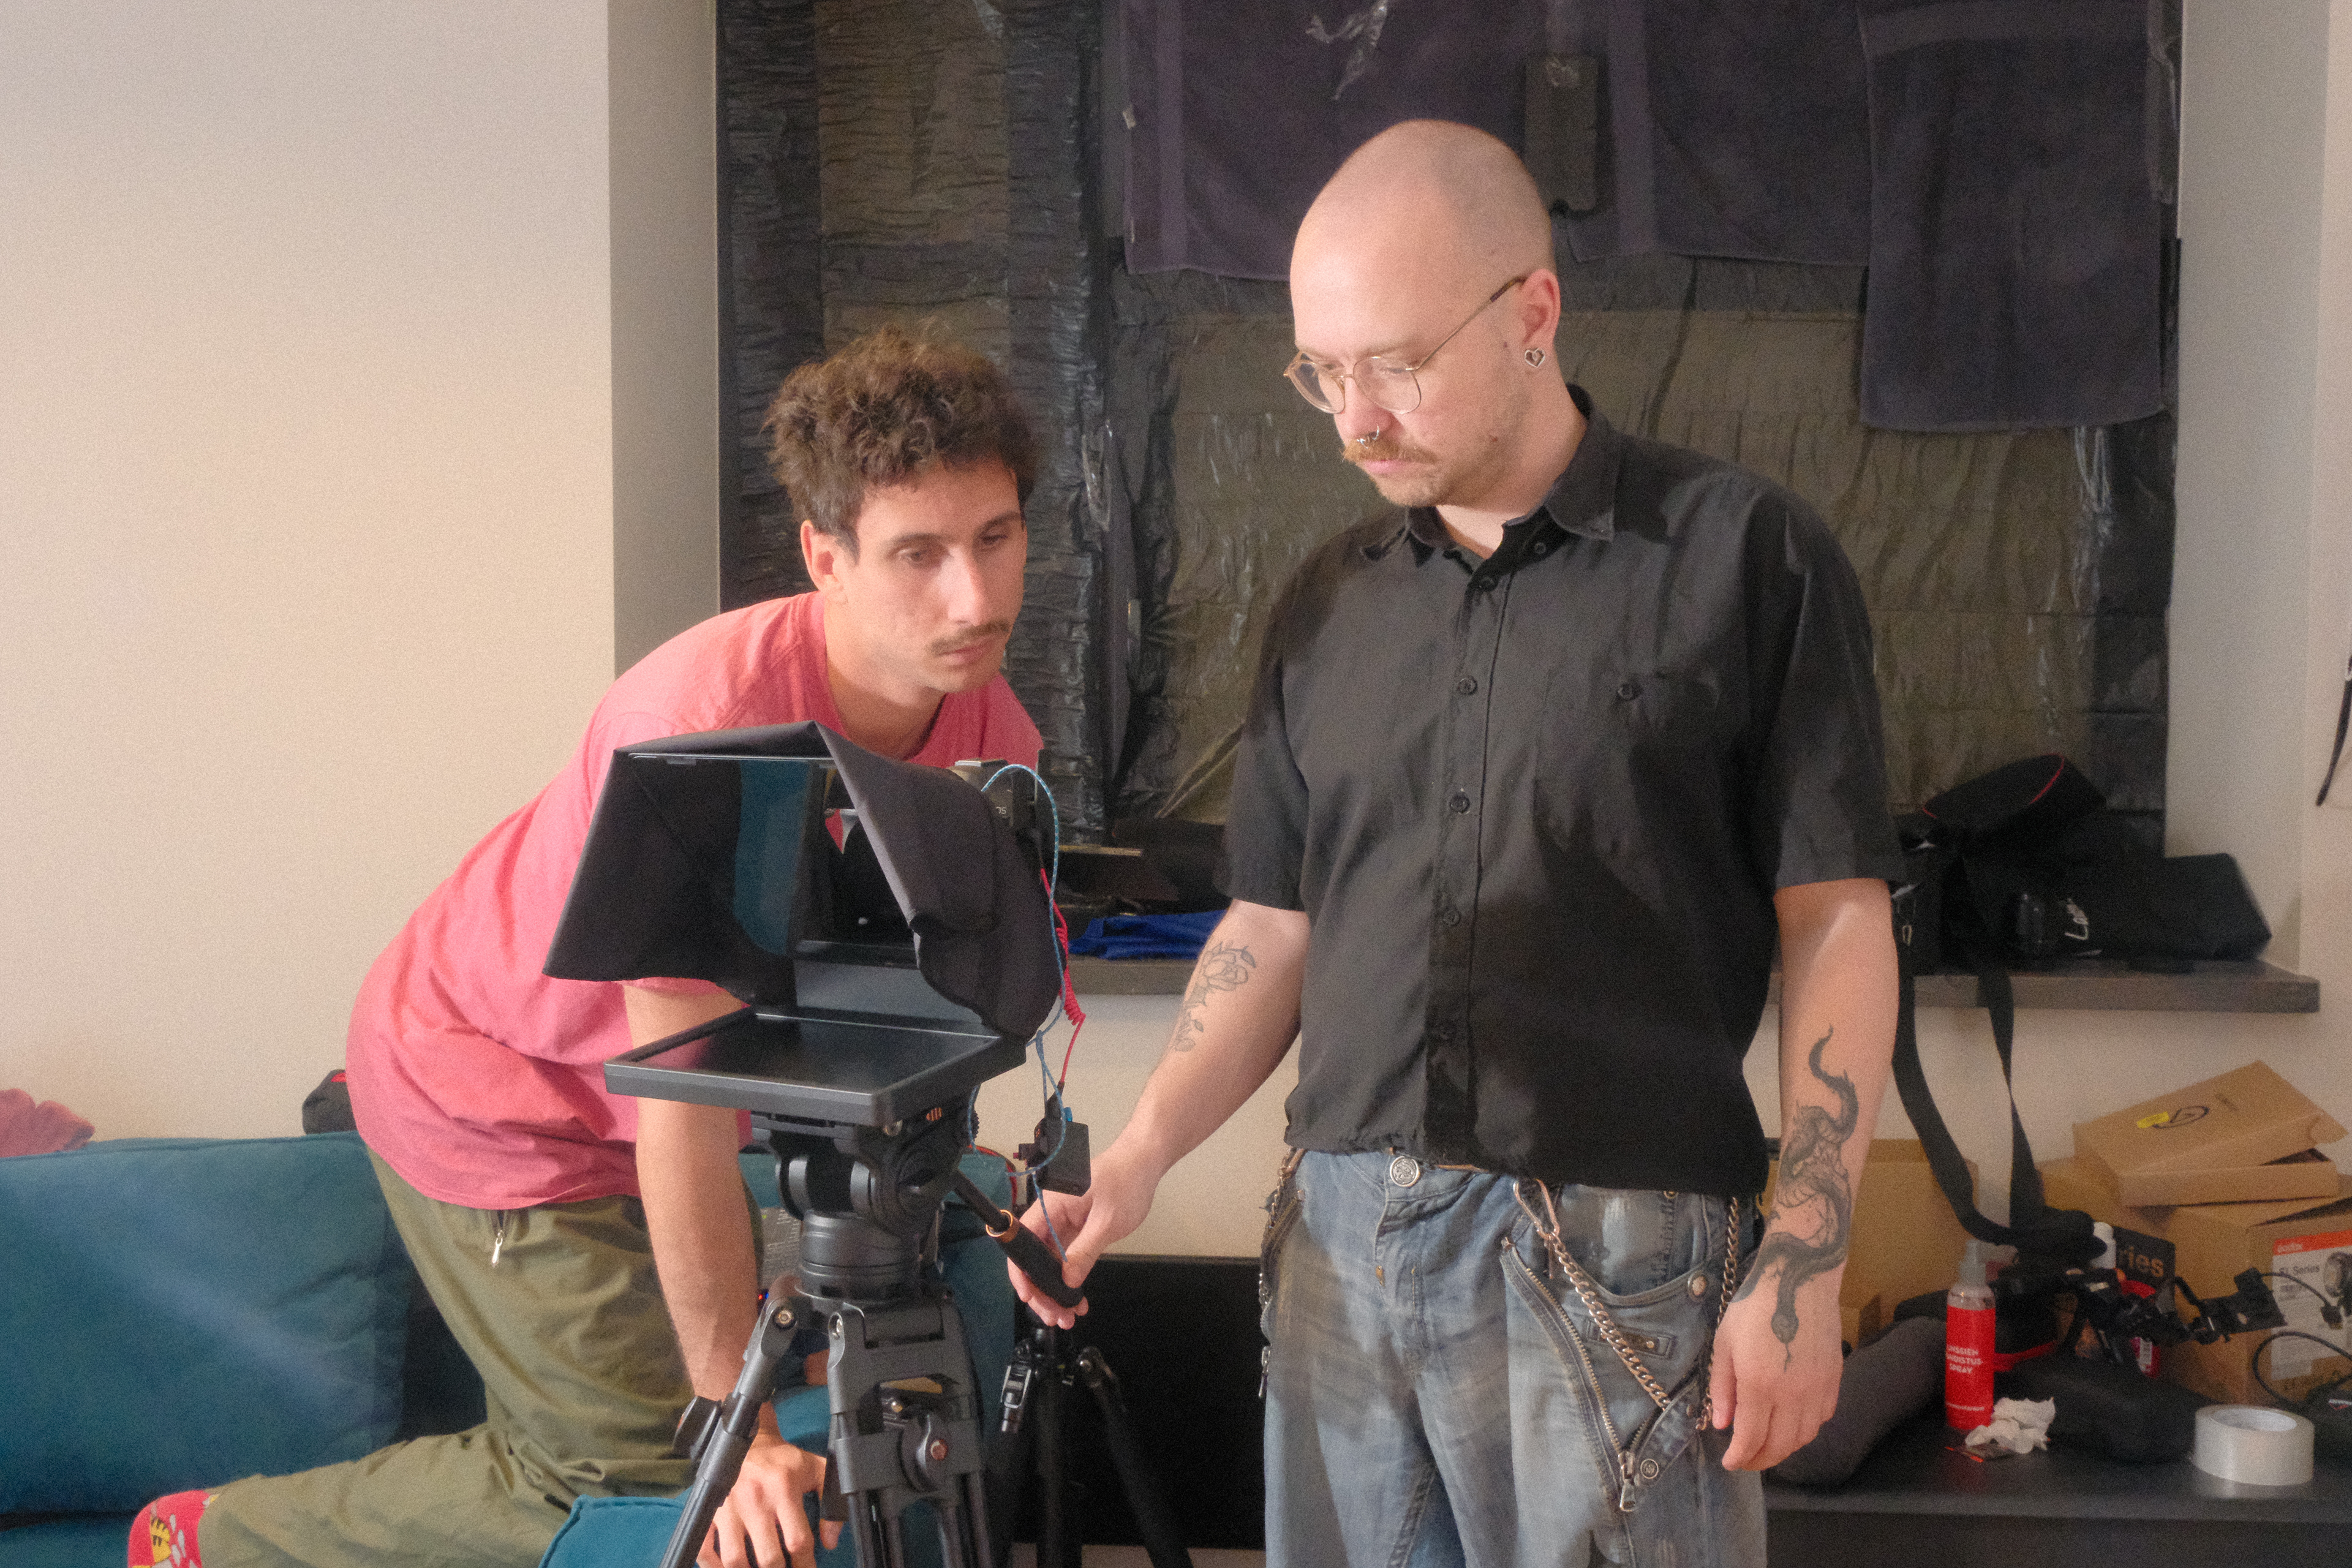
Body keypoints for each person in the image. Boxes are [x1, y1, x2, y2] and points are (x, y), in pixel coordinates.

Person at [1010, 122, 1904, 1568]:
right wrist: (1142, 1151)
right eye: (1322, 372)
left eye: (1396, 364)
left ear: (1533, 312)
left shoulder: (1745, 559)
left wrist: (1805, 1259)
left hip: (1618, 1252)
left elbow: (1839, 920)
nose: (1355, 419)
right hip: (1340, 1242)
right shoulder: (1326, 602)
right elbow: (1275, 923)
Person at [134, 327, 1044, 1568]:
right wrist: (733, 1422)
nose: (975, 599)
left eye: (995, 538)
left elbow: (906, 1000)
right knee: (655, 1479)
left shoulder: (987, 724)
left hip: (664, 1096)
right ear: (824, 557)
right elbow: (680, 1104)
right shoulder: (705, 729)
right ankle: (214, 1537)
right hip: (490, 1080)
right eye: (918, 554)